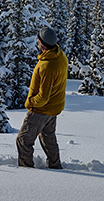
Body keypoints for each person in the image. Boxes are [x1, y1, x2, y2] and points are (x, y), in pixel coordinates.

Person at [16, 26, 68, 169]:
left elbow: (43, 97)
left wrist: (30, 103)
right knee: (48, 138)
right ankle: (55, 166)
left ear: (42, 45)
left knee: (23, 140)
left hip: (41, 110)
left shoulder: (47, 66)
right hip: (53, 108)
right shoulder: (60, 56)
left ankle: (26, 170)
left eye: (37, 40)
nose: (36, 41)